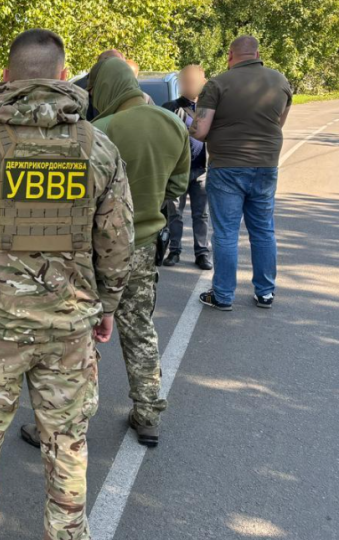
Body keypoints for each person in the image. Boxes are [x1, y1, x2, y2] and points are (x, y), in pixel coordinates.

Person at [0, 29, 134, 540]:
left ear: (5, 78)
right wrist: (108, 305)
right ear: (64, 77)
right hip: (69, 327)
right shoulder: (98, 150)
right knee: (67, 445)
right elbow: (117, 241)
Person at [80, 57, 189, 446]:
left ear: (105, 88)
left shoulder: (97, 131)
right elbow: (178, 188)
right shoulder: (173, 124)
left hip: (97, 251)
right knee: (139, 328)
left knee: (83, 334)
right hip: (145, 246)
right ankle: (147, 413)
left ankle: (71, 421)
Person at [190, 36, 292, 311]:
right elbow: (279, 122)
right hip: (266, 166)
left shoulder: (217, 84)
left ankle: (222, 296)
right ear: (258, 53)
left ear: (230, 56)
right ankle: (265, 293)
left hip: (227, 167)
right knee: (263, 230)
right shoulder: (280, 81)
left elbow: (199, 131)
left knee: (225, 233)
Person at [162, 65, 212, 269]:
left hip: (202, 169)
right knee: (174, 213)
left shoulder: (209, 109)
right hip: (177, 170)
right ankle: (174, 251)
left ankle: (202, 253)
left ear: (203, 83)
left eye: (193, 81)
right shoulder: (170, 108)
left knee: (201, 214)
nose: (188, 84)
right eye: (185, 81)